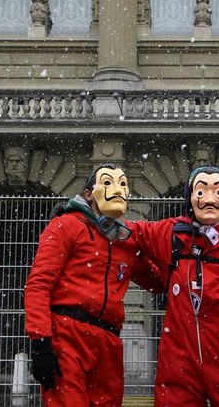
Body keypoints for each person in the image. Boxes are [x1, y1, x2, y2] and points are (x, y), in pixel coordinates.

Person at [129, 166, 219, 407]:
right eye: (201, 191)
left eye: (217, 192)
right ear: (190, 197)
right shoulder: (171, 234)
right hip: (178, 364)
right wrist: (87, 214)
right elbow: (128, 234)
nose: (210, 199)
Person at [24, 163, 164, 407]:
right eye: (108, 183)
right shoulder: (67, 225)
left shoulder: (125, 240)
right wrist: (41, 340)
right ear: (89, 194)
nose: (118, 190)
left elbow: (158, 282)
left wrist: (178, 254)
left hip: (108, 341)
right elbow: (39, 284)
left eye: (122, 184)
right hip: (67, 334)